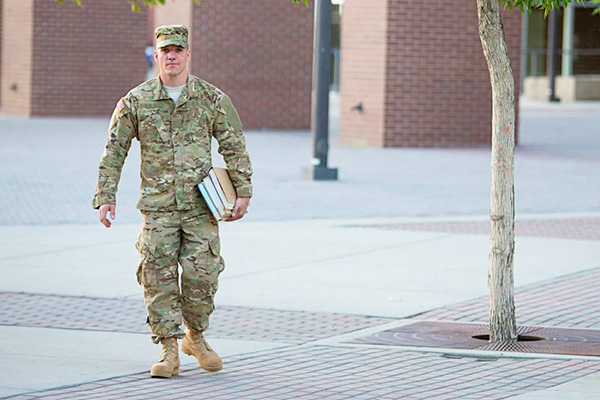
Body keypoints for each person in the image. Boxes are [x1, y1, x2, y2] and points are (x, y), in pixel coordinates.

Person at [92, 25, 252, 379]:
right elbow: (114, 150)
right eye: (166, 50)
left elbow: (234, 144)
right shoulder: (136, 101)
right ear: (157, 55)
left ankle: (195, 337)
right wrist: (106, 195)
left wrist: (243, 191)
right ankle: (168, 349)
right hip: (158, 208)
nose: (172, 56)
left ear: (188, 54)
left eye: (178, 50)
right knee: (157, 277)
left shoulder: (211, 99)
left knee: (203, 276)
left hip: (201, 207)